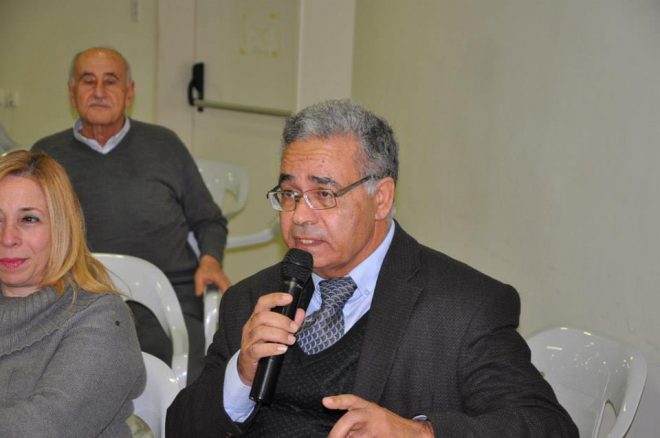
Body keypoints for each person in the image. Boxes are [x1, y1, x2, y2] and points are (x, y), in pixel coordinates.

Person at [166, 100, 578, 437]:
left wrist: (420, 434)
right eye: (290, 194)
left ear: (381, 198)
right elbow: (180, 428)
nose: (300, 216)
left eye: (324, 194)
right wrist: (240, 376)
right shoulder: (252, 299)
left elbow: (547, 427)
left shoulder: (463, 308)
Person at [31, 47, 230, 383]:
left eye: (111, 81)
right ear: (72, 91)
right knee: (69, 382)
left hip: (170, 302)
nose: (99, 91)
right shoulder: (47, 155)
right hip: (80, 302)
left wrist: (210, 260)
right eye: (88, 81)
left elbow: (209, 220)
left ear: (129, 92)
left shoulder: (165, 145)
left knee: (192, 388)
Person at [0, 150, 145, 437]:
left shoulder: (103, 319)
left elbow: (44, 427)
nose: (8, 237)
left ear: (62, 228)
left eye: (29, 219)